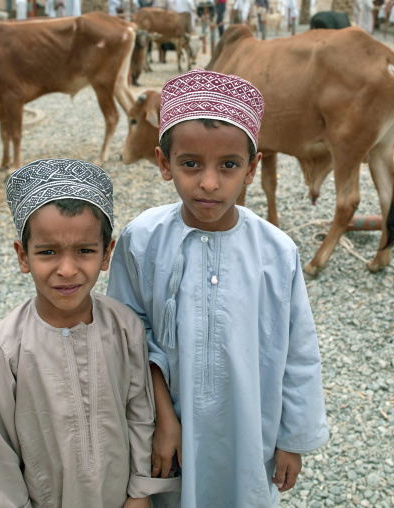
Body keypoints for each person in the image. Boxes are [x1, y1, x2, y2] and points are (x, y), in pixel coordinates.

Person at [107, 69, 329, 507]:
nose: (209, 183)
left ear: (252, 168)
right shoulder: (142, 239)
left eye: (228, 165)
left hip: (251, 434)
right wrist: (164, 420)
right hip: (165, 432)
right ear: (163, 163)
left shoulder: (276, 251)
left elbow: (300, 354)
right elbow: (127, 336)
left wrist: (292, 439)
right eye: (191, 164)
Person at [0, 159, 179, 507]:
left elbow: (139, 413)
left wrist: (140, 491)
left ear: (106, 253)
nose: (67, 270)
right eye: (48, 252)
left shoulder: (124, 327)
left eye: (84, 251)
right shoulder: (4, 349)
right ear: (23, 257)